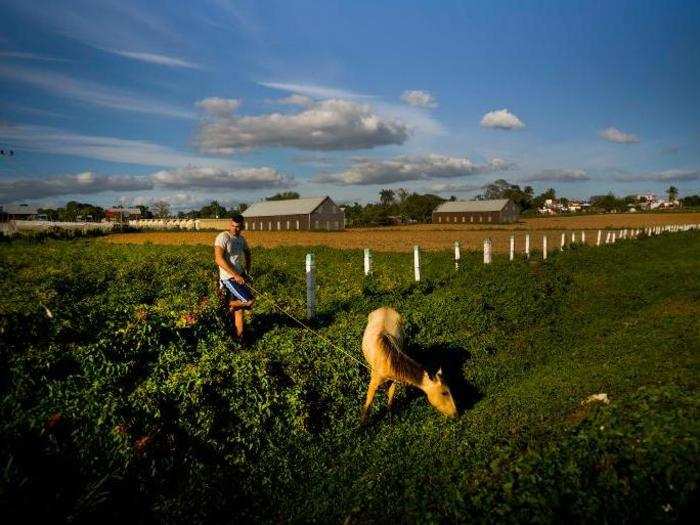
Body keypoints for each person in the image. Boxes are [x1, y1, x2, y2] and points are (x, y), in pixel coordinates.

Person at [214, 214, 254, 343]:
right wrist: (235, 275)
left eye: (238, 227)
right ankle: (223, 304)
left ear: (242, 226)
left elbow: (248, 253)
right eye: (233, 226)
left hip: (239, 276)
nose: (235, 229)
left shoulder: (241, 239)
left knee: (239, 310)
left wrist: (246, 271)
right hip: (228, 278)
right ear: (229, 224)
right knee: (249, 301)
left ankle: (240, 339)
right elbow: (218, 259)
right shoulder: (223, 237)